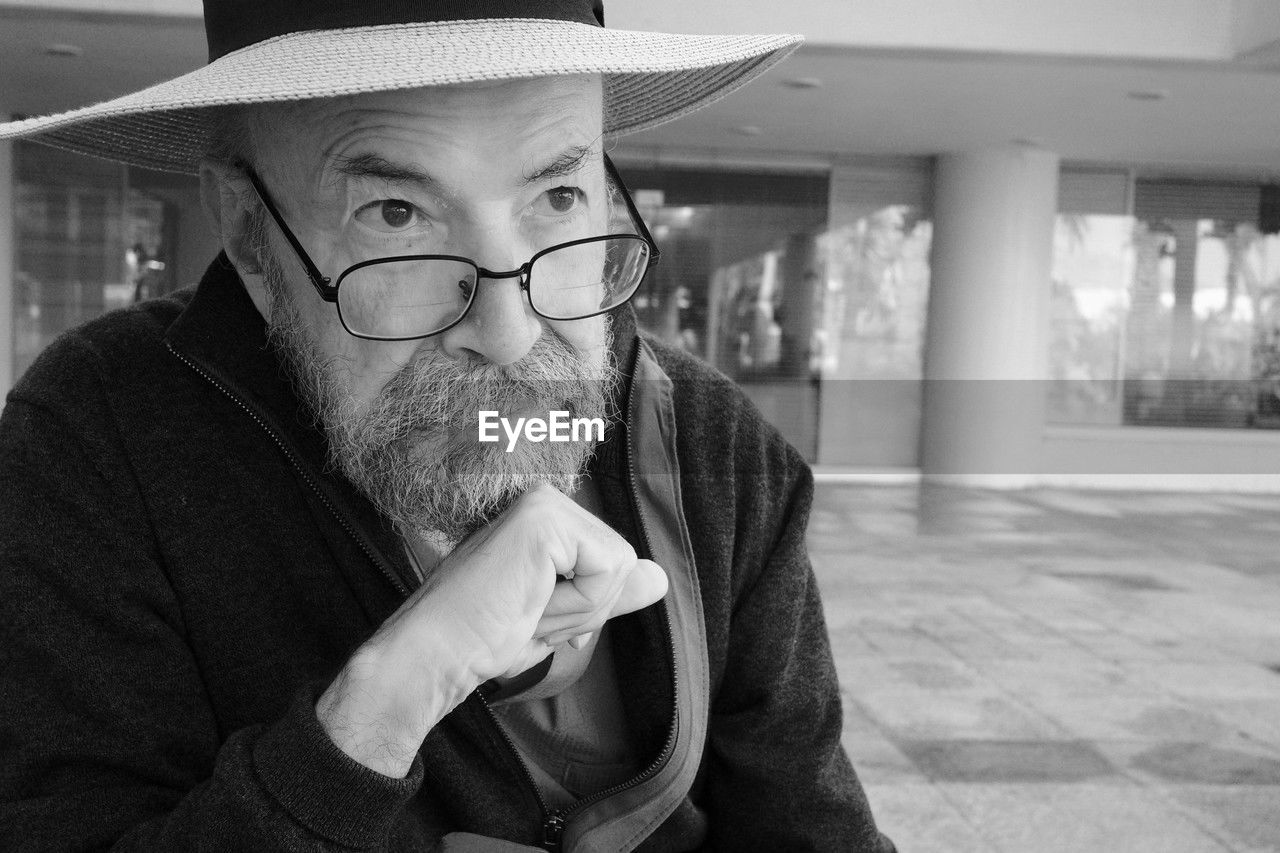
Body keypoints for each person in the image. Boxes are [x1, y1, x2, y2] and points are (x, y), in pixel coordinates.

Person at [0, 2, 895, 850]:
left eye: (557, 199)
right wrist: (379, 710)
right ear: (248, 235)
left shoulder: (715, 444)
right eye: (396, 215)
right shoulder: (98, 437)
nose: (509, 333)